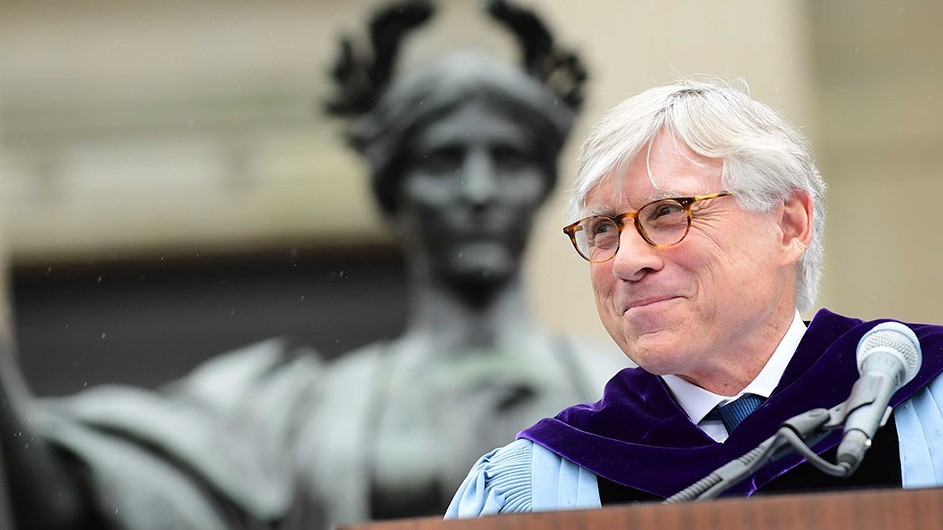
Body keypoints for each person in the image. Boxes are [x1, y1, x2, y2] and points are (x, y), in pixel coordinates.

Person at [0, 1, 625, 529]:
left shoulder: (629, 392)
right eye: (442, 161)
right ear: (391, 193)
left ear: (542, 185)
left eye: (508, 159)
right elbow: (68, 494)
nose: (479, 189)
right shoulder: (290, 415)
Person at [445, 78, 943, 518]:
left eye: (667, 212)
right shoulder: (537, 486)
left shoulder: (929, 406)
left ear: (790, 224)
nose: (625, 261)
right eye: (602, 229)